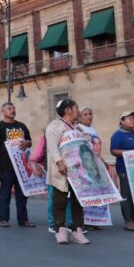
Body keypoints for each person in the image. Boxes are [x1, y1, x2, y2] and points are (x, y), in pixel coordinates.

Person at [45, 99, 89, 245]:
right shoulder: (55, 126)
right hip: (61, 169)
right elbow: (52, 146)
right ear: (68, 110)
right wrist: (59, 162)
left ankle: (77, 231)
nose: (79, 111)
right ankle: (60, 231)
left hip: (77, 170)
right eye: (76, 108)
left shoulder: (78, 128)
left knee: (78, 201)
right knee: (60, 199)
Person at [0, 102, 34, 228]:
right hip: (6, 166)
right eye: (9, 108)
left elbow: (30, 142)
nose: (12, 110)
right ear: (3, 111)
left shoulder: (22, 126)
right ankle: (3, 219)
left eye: (13, 108)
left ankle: (23, 219)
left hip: (22, 166)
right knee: (5, 193)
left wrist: (26, 142)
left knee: (22, 194)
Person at [110, 111, 134, 232]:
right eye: (129, 118)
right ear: (122, 121)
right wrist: (130, 154)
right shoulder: (117, 135)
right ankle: (129, 220)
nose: (133, 120)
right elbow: (114, 150)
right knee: (127, 194)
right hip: (125, 169)